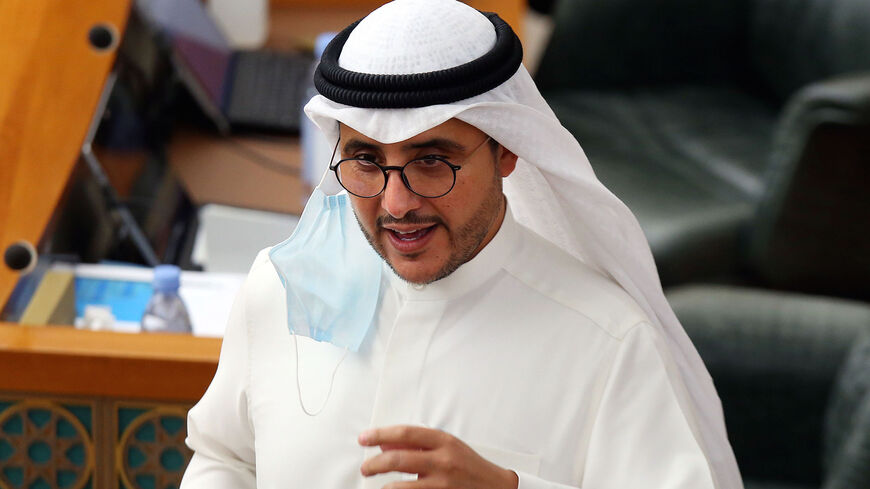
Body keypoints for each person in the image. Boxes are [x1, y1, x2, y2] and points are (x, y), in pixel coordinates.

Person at [180, 1, 743, 488]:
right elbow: (225, 455)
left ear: (506, 150)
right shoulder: (280, 289)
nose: (396, 204)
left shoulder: (609, 342)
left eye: (431, 161)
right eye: (366, 161)